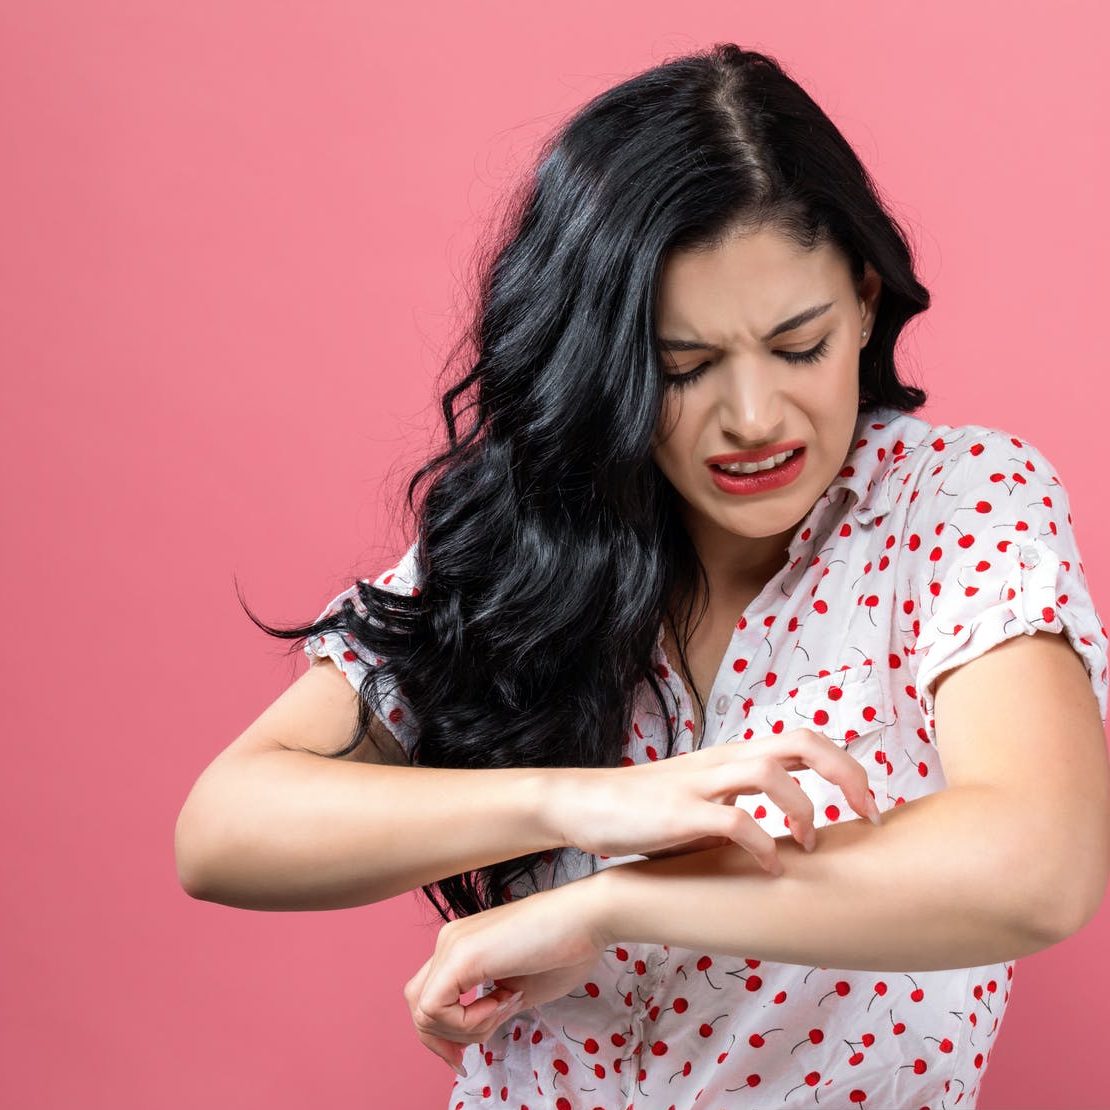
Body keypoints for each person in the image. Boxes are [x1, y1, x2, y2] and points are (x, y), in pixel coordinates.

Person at [174, 43, 1110, 1109]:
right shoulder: (536, 539)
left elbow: (1041, 861)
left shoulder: (956, 505)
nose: (754, 418)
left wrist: (612, 905)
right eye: (683, 369)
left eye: (796, 346)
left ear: (860, 301)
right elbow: (224, 830)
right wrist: (592, 806)